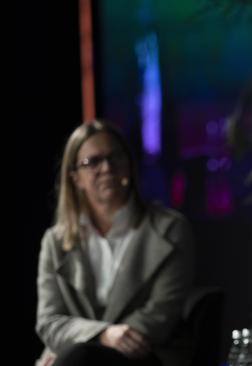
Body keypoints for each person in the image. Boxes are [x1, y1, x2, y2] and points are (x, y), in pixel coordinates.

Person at [35, 120, 194, 366]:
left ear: (128, 165)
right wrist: (103, 335)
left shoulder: (170, 229)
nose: (107, 168)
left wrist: (82, 346)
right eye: (93, 161)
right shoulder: (55, 242)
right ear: (75, 177)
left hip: (144, 355)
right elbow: (49, 322)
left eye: (115, 157)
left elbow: (163, 312)